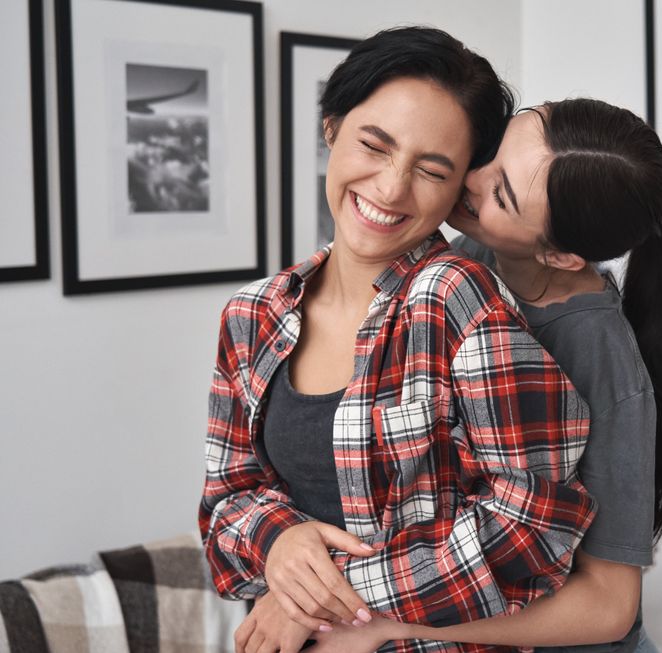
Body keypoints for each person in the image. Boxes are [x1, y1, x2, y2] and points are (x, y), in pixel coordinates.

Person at [198, 27, 599, 653]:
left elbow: (534, 521)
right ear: (332, 126)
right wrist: (280, 541)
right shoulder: (252, 314)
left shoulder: (454, 297)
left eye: (431, 171)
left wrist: (328, 601)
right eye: (374, 146)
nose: (390, 189)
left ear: (460, 185)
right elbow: (227, 501)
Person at [304, 99, 662, 653]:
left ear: (561, 257)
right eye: (495, 151)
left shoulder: (599, 357)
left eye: (500, 194)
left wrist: (387, 623)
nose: (472, 175)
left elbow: (609, 606)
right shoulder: (469, 257)